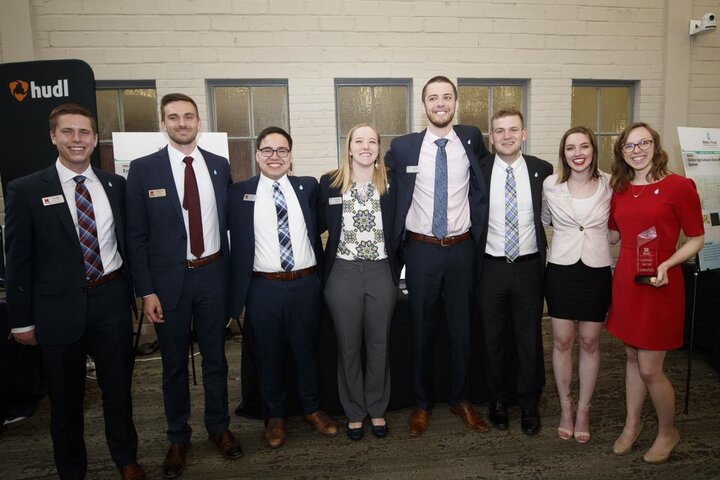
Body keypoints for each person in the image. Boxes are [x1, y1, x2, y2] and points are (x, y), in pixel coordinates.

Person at [5, 103, 145, 480]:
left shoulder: (115, 185)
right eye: (68, 132)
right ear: (53, 137)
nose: (77, 139)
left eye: (84, 132)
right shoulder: (26, 190)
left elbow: (128, 243)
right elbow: (17, 261)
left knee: (119, 391)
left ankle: (126, 458)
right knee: (65, 402)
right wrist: (21, 321)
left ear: (95, 138)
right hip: (56, 311)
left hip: (110, 300)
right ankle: (72, 470)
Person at [126, 93, 241, 479]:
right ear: (163, 124)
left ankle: (219, 428)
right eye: (173, 117)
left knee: (217, 361)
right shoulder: (143, 170)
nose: (182, 123)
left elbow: (229, 226)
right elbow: (136, 237)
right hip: (167, 283)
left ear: (198, 122)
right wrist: (146, 291)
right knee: (173, 365)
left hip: (212, 276)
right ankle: (178, 437)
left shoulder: (219, 166)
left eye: (188, 116)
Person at [385, 76, 489, 437]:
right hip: (420, 251)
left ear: (455, 103)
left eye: (446, 97)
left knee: (462, 331)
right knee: (421, 330)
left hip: (462, 250)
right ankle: (423, 403)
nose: (440, 103)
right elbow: (382, 185)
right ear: (424, 105)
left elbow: (488, 176)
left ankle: (461, 399)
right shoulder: (403, 148)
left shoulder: (472, 139)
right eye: (433, 98)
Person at [228, 126, 338, 449]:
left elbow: (322, 224)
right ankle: (274, 416)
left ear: (291, 156)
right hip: (262, 288)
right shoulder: (239, 193)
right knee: (268, 355)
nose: (275, 156)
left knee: (307, 352)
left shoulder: (308, 187)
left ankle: (312, 409)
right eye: (268, 150)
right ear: (257, 154)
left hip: (305, 284)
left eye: (282, 151)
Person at [607, 122, 704, 463]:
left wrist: (668, 264)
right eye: (629, 146)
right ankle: (632, 424)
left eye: (643, 143)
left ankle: (667, 431)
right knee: (631, 357)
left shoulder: (679, 186)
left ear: (655, 145)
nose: (637, 150)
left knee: (650, 367)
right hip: (627, 282)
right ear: (621, 152)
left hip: (661, 281)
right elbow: (615, 234)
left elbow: (696, 238)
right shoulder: (619, 188)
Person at [318, 124, 398, 441]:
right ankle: (354, 411)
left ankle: (376, 408)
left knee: (379, 345)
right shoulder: (330, 183)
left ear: (379, 148)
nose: (366, 146)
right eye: (358, 140)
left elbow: (401, 227)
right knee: (348, 347)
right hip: (342, 272)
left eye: (372, 141)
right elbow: (313, 227)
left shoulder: (391, 184)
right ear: (348, 147)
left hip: (381, 272)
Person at [477, 107, 552, 436]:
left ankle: (529, 402)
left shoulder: (542, 170)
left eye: (513, 129)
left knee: (528, 338)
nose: (506, 136)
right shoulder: (478, 170)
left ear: (523, 134)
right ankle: (497, 399)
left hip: (528, 268)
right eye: (499, 130)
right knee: (493, 339)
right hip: (490, 267)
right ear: (491, 138)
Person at [541, 127, 613, 443]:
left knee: (589, 342)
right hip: (560, 270)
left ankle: (583, 409)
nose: (578, 153)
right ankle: (565, 407)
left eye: (584, 146)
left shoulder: (612, 184)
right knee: (561, 341)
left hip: (596, 270)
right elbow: (542, 220)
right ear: (564, 153)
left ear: (594, 150)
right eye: (571, 148)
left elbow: (619, 226)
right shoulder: (550, 185)